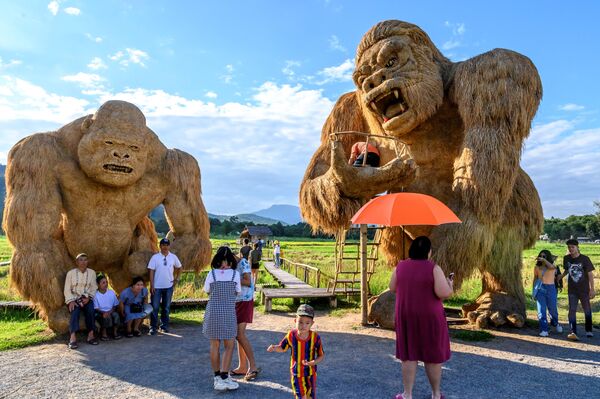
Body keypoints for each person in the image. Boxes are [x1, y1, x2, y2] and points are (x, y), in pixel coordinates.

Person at [389, 236, 452, 399]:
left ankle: (407, 394)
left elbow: (392, 287)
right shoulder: (434, 268)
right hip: (430, 317)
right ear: (428, 252)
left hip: (406, 315)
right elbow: (443, 293)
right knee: (432, 355)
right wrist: (449, 285)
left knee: (409, 354)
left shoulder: (400, 266)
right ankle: (436, 394)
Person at [203, 246, 241, 391]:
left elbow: (207, 290)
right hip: (228, 313)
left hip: (213, 312)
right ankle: (225, 376)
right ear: (230, 261)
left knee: (215, 345)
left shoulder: (211, 274)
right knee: (229, 345)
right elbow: (237, 292)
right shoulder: (234, 275)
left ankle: (217, 377)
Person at [267, 304, 325, 399]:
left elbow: (321, 355)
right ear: (295, 321)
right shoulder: (291, 335)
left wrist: (313, 362)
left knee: (310, 396)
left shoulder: (315, 337)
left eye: (307, 323)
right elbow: (282, 347)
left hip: (311, 373)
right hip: (296, 373)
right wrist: (274, 347)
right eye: (300, 322)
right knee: (301, 396)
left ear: (312, 323)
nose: (303, 326)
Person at [231, 254, 261, 381]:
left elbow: (249, 282)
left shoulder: (243, 263)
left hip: (245, 300)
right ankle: (242, 366)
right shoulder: (233, 266)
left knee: (240, 334)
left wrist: (232, 279)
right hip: (238, 301)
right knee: (238, 335)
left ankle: (252, 366)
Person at [560, 239, 596, 341]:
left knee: (587, 310)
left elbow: (590, 274)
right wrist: (560, 277)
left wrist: (592, 289)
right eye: (569, 247)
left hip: (584, 290)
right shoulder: (566, 258)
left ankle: (589, 330)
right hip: (572, 290)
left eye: (572, 247)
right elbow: (567, 270)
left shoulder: (585, 259)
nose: (571, 249)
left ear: (577, 247)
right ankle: (573, 331)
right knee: (572, 310)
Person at [147, 237, 182, 335]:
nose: (165, 247)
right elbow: (151, 271)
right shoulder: (155, 257)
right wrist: (152, 285)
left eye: (167, 245)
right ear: (160, 246)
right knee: (155, 307)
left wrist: (177, 279)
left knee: (166, 307)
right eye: (163, 245)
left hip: (169, 286)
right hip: (157, 287)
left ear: (169, 246)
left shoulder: (173, 257)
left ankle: (164, 326)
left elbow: (179, 267)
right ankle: (153, 327)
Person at [64, 253, 98, 349]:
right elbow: (67, 289)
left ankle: (91, 335)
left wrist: (88, 298)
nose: (83, 262)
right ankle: (73, 337)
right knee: (74, 312)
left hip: (86, 298)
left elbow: (94, 287)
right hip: (74, 298)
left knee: (91, 311)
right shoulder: (70, 273)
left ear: (88, 262)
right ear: (76, 262)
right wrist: (71, 301)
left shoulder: (92, 273)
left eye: (85, 260)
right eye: (81, 260)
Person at [532, 250, 562, 337]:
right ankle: (544, 329)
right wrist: (533, 291)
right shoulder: (536, 267)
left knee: (553, 310)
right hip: (540, 289)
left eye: (544, 256)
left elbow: (551, 267)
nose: (542, 257)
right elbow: (535, 279)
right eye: (541, 256)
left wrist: (544, 260)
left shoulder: (552, 266)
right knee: (541, 310)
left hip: (551, 288)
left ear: (548, 257)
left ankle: (556, 323)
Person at [93, 274, 122, 341]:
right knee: (105, 317)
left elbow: (115, 304)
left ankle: (115, 333)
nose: (106, 284)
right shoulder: (95, 295)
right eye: (103, 283)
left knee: (116, 315)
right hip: (100, 312)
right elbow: (96, 308)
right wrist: (104, 313)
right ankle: (104, 333)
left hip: (111, 311)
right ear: (98, 284)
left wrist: (110, 311)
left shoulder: (111, 292)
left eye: (106, 282)